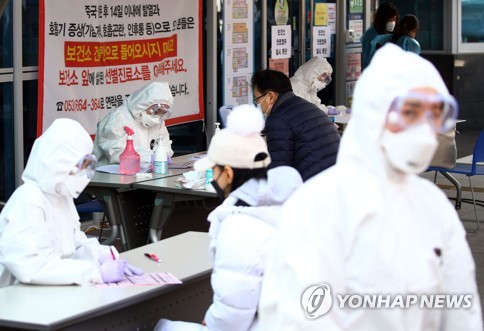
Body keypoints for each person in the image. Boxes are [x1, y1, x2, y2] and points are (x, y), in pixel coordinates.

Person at [259, 44, 483, 330]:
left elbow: (462, 308)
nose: (424, 128)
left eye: (435, 113)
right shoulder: (316, 207)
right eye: (411, 112)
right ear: (375, 115)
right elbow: (294, 315)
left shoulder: (433, 206)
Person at [154, 105, 303, 331]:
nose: (213, 177)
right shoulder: (292, 204)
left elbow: (232, 318)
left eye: (214, 171)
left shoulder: (240, 226)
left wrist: (211, 321)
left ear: (229, 173)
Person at [0, 118, 143, 291]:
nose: (83, 174)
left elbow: (75, 242)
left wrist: (103, 255)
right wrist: (93, 273)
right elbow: (29, 266)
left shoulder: (60, 197)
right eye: (80, 166)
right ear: (56, 164)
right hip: (17, 301)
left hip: (51, 291)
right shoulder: (29, 201)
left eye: (87, 164)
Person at [251, 69, 340, 182]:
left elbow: (280, 173)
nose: (257, 104)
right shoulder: (309, 108)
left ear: (270, 97)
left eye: (257, 99)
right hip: (336, 180)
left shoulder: (278, 119)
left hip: (317, 186)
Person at [93, 81, 174, 166]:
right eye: (156, 110)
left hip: (142, 173)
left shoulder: (158, 121)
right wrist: (148, 157)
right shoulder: (119, 117)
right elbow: (113, 150)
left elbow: (165, 143)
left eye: (162, 112)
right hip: (111, 174)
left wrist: (163, 155)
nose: (157, 115)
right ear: (145, 103)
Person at [361, 2, 399, 69]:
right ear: (383, 20)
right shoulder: (371, 35)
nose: (393, 22)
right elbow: (367, 61)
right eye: (390, 20)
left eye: (394, 19)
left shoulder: (389, 35)